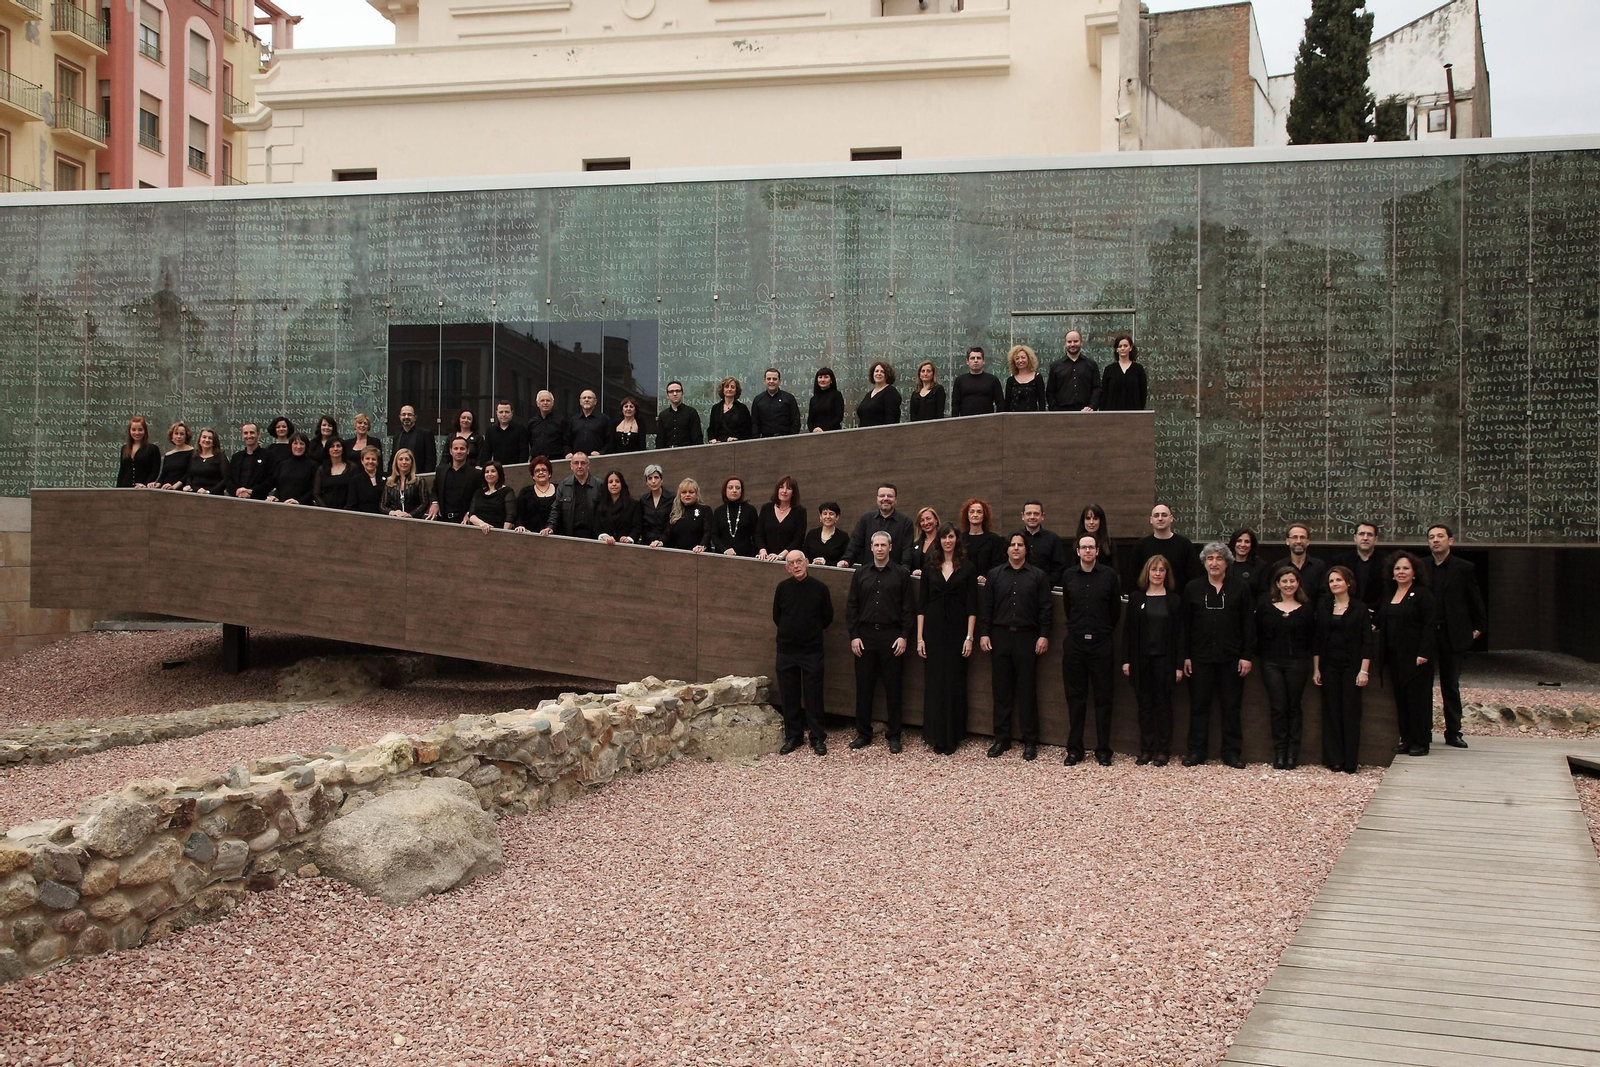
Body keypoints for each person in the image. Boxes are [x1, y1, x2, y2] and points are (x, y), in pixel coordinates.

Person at [1181, 542, 1256, 768]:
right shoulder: (1192, 588)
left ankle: (1232, 752)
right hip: (1199, 657)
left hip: (1231, 658)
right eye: (1210, 559)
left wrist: (1246, 655)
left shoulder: (1240, 588)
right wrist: (1185, 656)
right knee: (1199, 706)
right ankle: (1196, 751)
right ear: (1204, 563)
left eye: (1219, 558)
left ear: (1227, 563)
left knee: (1231, 707)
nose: (1214, 563)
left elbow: (1248, 624)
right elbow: (1185, 626)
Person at [978, 532, 1053, 760]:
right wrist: (984, 634)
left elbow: (1046, 608)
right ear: (1007, 549)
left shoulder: (1038, 576)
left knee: (1027, 690)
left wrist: (1044, 635)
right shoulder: (995, 575)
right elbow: (987, 607)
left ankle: (1030, 741)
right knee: (1001, 690)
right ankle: (1002, 739)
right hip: (1000, 637)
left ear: (1026, 549)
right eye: (1013, 544)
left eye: (1020, 545)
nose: (1016, 548)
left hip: (1027, 638)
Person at [846, 531, 916, 752]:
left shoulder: (901, 574)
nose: (879, 549)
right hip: (865, 637)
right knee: (864, 688)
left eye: (883, 545)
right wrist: (854, 635)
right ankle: (863, 733)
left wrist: (904, 636)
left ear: (890, 547)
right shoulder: (860, 573)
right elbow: (852, 607)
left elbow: (908, 609)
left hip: (892, 637)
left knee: (893, 688)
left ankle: (894, 735)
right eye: (876, 545)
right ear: (871, 547)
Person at [1061, 533, 1122, 766]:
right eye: (1083, 547)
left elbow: (1115, 611)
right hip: (1075, 643)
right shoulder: (1068, 576)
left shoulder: (1109, 576)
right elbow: (1068, 607)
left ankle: (1103, 749)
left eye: (1091, 547)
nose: (1087, 551)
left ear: (1098, 551)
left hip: (1101, 643)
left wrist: (1102, 631)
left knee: (1104, 698)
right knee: (1075, 698)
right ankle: (1075, 749)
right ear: (1077, 551)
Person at [917, 524, 978, 755]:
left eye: (951, 537)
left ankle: (952, 735)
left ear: (957, 539)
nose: (947, 541)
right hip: (932, 630)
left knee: (954, 681)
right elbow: (921, 605)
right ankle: (934, 734)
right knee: (934, 682)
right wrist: (920, 638)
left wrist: (969, 637)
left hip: (957, 631)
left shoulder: (968, 568)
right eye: (943, 537)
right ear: (939, 541)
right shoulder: (929, 566)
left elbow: (972, 606)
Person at [1427, 523, 1485, 750]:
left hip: (1453, 634)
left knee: (1450, 684)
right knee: (1423, 684)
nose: (1436, 540)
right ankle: (1423, 730)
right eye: (1431, 537)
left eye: (1440, 536)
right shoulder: (1421, 566)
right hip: (1428, 633)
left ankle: (1453, 732)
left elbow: (1474, 598)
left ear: (1450, 540)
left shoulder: (1464, 567)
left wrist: (1480, 624)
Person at [1122, 555, 1182, 766]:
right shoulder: (1137, 598)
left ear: (1167, 574)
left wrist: (1178, 665)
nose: (1157, 573)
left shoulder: (1174, 600)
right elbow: (1128, 631)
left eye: (1161, 570)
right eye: (1154, 569)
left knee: (1163, 705)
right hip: (1141, 660)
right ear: (1147, 572)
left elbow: (1180, 635)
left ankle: (1163, 750)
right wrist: (1126, 660)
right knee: (1144, 705)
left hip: (1165, 661)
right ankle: (1146, 749)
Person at [773, 550, 833, 756]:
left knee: (813, 695)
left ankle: (817, 738)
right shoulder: (782, 589)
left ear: (807, 562)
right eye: (791, 563)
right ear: (787, 568)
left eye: (799, 561)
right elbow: (777, 617)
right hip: (787, 650)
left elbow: (827, 618)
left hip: (811, 650)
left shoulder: (820, 589)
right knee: (789, 695)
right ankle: (793, 736)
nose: (796, 566)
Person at [1314, 565, 1374, 774]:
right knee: (1331, 712)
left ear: (1348, 582)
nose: (1335, 584)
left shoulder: (1360, 608)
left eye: (1338, 580)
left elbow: (1367, 642)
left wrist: (1363, 671)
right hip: (1329, 665)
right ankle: (1334, 759)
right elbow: (1318, 640)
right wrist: (1316, 669)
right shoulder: (1323, 606)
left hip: (1352, 667)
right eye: (1331, 581)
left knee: (1350, 712)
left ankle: (1350, 760)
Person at [1378, 550, 1437, 757]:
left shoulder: (1422, 594)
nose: (1401, 572)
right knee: (1401, 700)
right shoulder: (1389, 593)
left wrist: (1424, 652)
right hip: (1395, 657)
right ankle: (1406, 739)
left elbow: (1430, 625)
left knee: (1417, 700)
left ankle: (1420, 742)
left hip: (1416, 658)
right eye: (1397, 568)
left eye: (1405, 568)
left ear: (1414, 572)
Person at [1257, 565, 1316, 770]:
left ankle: (1292, 753)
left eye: (1292, 581)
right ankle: (1279, 752)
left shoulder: (1307, 609)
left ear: (1298, 583)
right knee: (1278, 707)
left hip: (1298, 663)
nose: (1288, 584)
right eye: (1284, 581)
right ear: (1277, 584)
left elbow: (1312, 639)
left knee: (1294, 707)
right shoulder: (1266, 607)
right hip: (1271, 663)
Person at [1128, 504, 1197, 594]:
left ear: (1171, 518)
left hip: (1179, 600)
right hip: (1148, 600)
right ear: (1151, 520)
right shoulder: (1141, 545)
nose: (1160, 518)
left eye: (1164, 515)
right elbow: (1133, 576)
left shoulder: (1185, 544)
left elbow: (1192, 575)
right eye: (1156, 515)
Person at [841, 484, 915, 567]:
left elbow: (907, 549)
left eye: (890, 496)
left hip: (895, 575)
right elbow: (855, 543)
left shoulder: (905, 522)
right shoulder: (866, 519)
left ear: (896, 500)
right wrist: (847, 560)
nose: (885, 498)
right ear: (877, 499)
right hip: (868, 573)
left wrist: (905, 569)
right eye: (882, 496)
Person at [1332, 521, 1384, 621]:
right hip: (1345, 616)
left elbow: (1388, 591)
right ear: (1355, 538)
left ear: (1376, 539)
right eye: (1361, 534)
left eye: (1370, 534)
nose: (1365, 538)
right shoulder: (1340, 561)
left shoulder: (1387, 562)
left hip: (1376, 617)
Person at [430, 436, 484, 523]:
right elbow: (434, 491)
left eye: (462, 448)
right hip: (443, 520)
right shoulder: (441, 470)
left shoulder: (476, 474)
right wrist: (434, 503)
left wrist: (470, 513)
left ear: (468, 451)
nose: (459, 451)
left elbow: (478, 497)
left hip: (464, 522)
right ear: (451, 451)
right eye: (456, 448)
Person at [1045, 330, 1100, 412]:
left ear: (1081, 342)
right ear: (1065, 344)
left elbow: (1097, 388)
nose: (1072, 344)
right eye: (1069, 342)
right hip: (1062, 413)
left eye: (1076, 341)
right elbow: (1050, 392)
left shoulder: (1091, 365)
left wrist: (1091, 406)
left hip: (1086, 412)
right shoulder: (1055, 366)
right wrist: (1055, 410)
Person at [552, 452, 604, 538]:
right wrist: (551, 527)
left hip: (595, 536)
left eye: (583, 463)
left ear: (588, 466)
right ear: (571, 466)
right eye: (576, 463)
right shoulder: (564, 485)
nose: (579, 466)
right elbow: (556, 509)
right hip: (570, 535)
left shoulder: (599, 485)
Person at [756, 476, 806, 560]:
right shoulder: (766, 508)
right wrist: (762, 551)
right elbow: (758, 534)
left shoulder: (800, 511)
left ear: (793, 493)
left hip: (789, 560)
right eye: (781, 487)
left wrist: (780, 556)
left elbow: (799, 539)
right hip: (765, 559)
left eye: (789, 488)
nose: (784, 491)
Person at [1019, 501, 1067, 588]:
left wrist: (1045, 583)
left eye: (1036, 513)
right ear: (1023, 516)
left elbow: (1059, 567)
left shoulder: (1053, 538)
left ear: (1042, 516)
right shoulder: (1015, 537)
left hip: (1044, 589)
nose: (1032, 517)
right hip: (1018, 587)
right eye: (1029, 513)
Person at [656, 478, 712, 552]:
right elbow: (667, 533)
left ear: (696, 494)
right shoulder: (675, 512)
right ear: (680, 495)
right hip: (680, 555)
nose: (687, 495)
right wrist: (660, 542)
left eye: (691, 492)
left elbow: (708, 532)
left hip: (699, 554)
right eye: (684, 492)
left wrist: (702, 546)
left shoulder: (705, 510)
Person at [711, 477, 759, 557]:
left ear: (741, 491)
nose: (734, 490)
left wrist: (754, 554)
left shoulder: (750, 510)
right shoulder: (718, 511)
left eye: (738, 488)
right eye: (730, 487)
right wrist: (724, 550)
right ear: (725, 490)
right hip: (722, 557)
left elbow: (756, 535)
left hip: (746, 557)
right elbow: (714, 535)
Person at [266, 433, 319, 505]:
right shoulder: (283, 464)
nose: (298, 446)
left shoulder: (313, 465)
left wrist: (299, 502)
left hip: (303, 507)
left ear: (306, 446)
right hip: (283, 506)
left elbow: (313, 490)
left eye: (302, 444)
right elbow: (278, 486)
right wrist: (275, 497)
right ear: (290, 445)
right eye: (295, 443)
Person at [1099, 334, 1148, 412]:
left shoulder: (1138, 369)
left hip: (1133, 414)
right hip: (1112, 414)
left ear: (1131, 348)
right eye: (1120, 346)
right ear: (1116, 349)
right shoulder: (1109, 369)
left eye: (1125, 346)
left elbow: (1143, 393)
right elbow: (1104, 394)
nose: (1122, 348)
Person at [960, 498, 1005, 582]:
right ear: (967, 515)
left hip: (987, 583)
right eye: (972, 512)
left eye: (979, 512)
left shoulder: (994, 539)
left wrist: (986, 577)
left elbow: (997, 563)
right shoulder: (960, 539)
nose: (975, 514)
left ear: (984, 515)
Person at [950, 347, 1003, 417]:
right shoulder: (960, 380)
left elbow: (1000, 403)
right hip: (965, 422)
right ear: (967, 362)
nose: (975, 361)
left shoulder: (993, 380)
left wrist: (998, 421)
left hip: (988, 422)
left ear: (984, 361)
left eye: (978, 358)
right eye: (972, 358)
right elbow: (955, 404)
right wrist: (955, 423)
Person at [1283, 524, 1329, 605]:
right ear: (1287, 541)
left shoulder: (1320, 566)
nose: (1298, 541)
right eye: (1294, 537)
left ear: (1308, 542)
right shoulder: (1279, 567)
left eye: (1302, 537)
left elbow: (1324, 595)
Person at [514, 456, 559, 535]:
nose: (541, 473)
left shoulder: (560, 489)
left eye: (544, 470)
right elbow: (519, 514)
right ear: (533, 476)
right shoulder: (525, 492)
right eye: (537, 471)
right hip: (530, 536)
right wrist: (520, 526)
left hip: (557, 535)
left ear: (550, 473)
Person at [382, 448, 433, 518]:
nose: (404, 462)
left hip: (414, 521)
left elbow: (425, 503)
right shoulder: (390, 482)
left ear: (412, 462)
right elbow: (383, 505)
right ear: (396, 463)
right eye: (400, 459)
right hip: (394, 521)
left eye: (407, 459)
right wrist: (392, 512)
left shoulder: (419, 481)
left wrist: (411, 515)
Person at [466, 461, 516, 531]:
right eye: (487, 472)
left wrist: (503, 534)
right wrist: (483, 524)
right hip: (478, 531)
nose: (489, 474)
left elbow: (510, 516)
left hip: (499, 532)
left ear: (499, 473)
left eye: (493, 471)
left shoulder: (507, 491)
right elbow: (471, 514)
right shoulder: (478, 492)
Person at [180, 428, 232, 495]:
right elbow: (189, 475)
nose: (207, 440)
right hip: (194, 494)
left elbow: (226, 479)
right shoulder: (194, 456)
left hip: (213, 496)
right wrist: (188, 485)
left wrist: (209, 492)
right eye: (204, 437)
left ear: (214, 442)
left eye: (210, 438)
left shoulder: (220, 457)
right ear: (199, 440)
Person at [750, 368, 800, 438]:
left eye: (774, 379)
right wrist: (756, 440)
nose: (771, 381)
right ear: (764, 381)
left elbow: (795, 420)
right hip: (765, 440)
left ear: (779, 381)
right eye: (768, 379)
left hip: (786, 439)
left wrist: (792, 437)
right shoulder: (758, 400)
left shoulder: (789, 398)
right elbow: (754, 423)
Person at [230, 423, 274, 500]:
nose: (249, 436)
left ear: (259, 435)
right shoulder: (236, 457)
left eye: (252, 432)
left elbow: (271, 479)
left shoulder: (268, 456)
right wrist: (237, 491)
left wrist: (251, 491)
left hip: (259, 500)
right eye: (246, 433)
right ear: (242, 436)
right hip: (236, 499)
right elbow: (229, 478)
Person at [655, 381, 703, 449]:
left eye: (677, 391)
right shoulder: (663, 415)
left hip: (687, 453)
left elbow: (697, 437)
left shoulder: (691, 412)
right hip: (667, 454)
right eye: (671, 391)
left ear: (682, 394)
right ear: (667, 396)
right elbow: (660, 439)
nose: (675, 394)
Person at [117, 416, 161, 488]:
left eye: (140, 430)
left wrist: (145, 484)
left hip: (143, 488)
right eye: (133, 430)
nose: (137, 433)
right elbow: (122, 471)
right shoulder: (124, 448)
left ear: (145, 431)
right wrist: (117, 490)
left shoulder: (152, 449)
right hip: (125, 488)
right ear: (129, 431)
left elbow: (155, 472)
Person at [594, 470, 637, 544]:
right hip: (604, 547)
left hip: (626, 548)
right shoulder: (600, 505)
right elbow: (597, 528)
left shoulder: (633, 504)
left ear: (622, 484)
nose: (614, 484)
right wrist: (604, 537)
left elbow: (636, 527)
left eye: (617, 481)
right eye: (610, 482)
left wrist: (629, 538)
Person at [391, 405, 436, 474]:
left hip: (419, 477)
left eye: (409, 415)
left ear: (415, 418)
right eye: (403, 414)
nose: (406, 417)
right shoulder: (396, 437)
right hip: (400, 478)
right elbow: (393, 458)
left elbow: (431, 460)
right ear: (400, 417)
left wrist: (426, 478)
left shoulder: (426, 434)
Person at [311, 438, 356, 509]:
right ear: (328, 451)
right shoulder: (321, 470)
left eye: (338, 446)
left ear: (343, 449)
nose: (335, 449)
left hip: (348, 511)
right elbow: (316, 494)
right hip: (326, 512)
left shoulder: (352, 468)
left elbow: (355, 492)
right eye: (332, 446)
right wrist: (325, 509)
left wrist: (347, 508)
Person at [634, 464, 673, 545]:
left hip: (667, 542)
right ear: (646, 482)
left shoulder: (672, 498)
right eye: (650, 478)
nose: (653, 481)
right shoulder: (643, 499)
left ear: (661, 480)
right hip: (647, 543)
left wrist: (662, 540)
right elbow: (639, 523)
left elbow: (671, 523)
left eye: (656, 477)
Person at [855, 361, 902, 427]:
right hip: (864, 434)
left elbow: (891, 418)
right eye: (876, 371)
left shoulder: (890, 392)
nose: (879, 373)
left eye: (882, 372)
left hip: (881, 435)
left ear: (888, 375)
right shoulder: (869, 394)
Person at [707, 377, 752, 443]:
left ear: (736, 390)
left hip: (737, 445)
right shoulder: (715, 408)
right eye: (727, 387)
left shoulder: (743, 409)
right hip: (719, 446)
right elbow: (711, 429)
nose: (729, 389)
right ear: (723, 389)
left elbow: (748, 430)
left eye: (732, 387)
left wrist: (737, 439)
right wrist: (712, 439)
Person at [527, 391, 569, 461]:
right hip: (537, 460)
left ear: (552, 403)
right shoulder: (532, 422)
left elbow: (566, 441)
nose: (545, 403)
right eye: (542, 400)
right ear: (537, 404)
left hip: (555, 460)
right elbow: (530, 442)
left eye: (548, 400)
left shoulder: (561, 421)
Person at [567, 390, 611, 457]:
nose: (586, 400)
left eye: (589, 398)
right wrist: (568, 452)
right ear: (580, 402)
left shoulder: (604, 419)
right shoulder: (573, 420)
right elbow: (566, 441)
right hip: (577, 461)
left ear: (595, 401)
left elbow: (609, 442)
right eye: (584, 398)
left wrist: (601, 453)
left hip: (597, 460)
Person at [1004, 345, 1046, 412]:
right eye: (1017, 358)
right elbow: (1007, 402)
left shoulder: (1037, 377)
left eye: (1023, 357)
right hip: (1014, 419)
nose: (1020, 361)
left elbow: (1042, 400)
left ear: (1029, 359)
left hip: (1032, 418)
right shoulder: (1010, 380)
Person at [804, 502, 848, 567]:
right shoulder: (812, 534)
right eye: (825, 514)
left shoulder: (843, 537)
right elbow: (804, 557)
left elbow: (844, 561)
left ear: (837, 517)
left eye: (831, 514)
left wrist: (826, 563)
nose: (828, 517)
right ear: (820, 516)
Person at [1228, 528, 1265, 600]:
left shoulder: (1261, 566)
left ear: (1252, 545)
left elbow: (1264, 593)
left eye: (1247, 542)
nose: (1242, 545)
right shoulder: (1225, 565)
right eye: (1239, 541)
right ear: (1233, 543)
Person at [346, 447, 385, 514]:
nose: (370, 461)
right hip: (363, 519)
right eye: (367, 458)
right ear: (362, 461)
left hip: (385, 518)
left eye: (373, 459)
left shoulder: (387, 478)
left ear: (377, 462)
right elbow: (351, 506)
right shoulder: (355, 480)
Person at [1076, 504, 1115, 570]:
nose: (1091, 522)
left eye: (1095, 519)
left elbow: (1115, 570)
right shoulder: (1077, 542)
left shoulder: (1109, 543)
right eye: (1088, 518)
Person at [904, 506, 940, 576]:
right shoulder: (915, 545)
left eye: (928, 519)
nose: (926, 523)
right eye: (922, 520)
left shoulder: (942, 542)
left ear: (936, 520)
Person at [807, 367, 844, 433]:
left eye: (826, 377)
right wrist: (813, 429)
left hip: (833, 433)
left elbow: (839, 416)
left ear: (831, 379)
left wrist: (824, 429)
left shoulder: (836, 395)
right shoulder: (813, 399)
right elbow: (810, 419)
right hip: (816, 435)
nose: (823, 380)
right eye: (820, 377)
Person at [158, 422, 194, 489]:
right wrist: (157, 484)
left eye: (182, 434)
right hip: (166, 489)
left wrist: (174, 486)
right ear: (172, 436)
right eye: (176, 433)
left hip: (182, 490)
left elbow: (189, 473)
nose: (178, 436)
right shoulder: (168, 455)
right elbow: (163, 475)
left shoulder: (192, 452)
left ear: (186, 436)